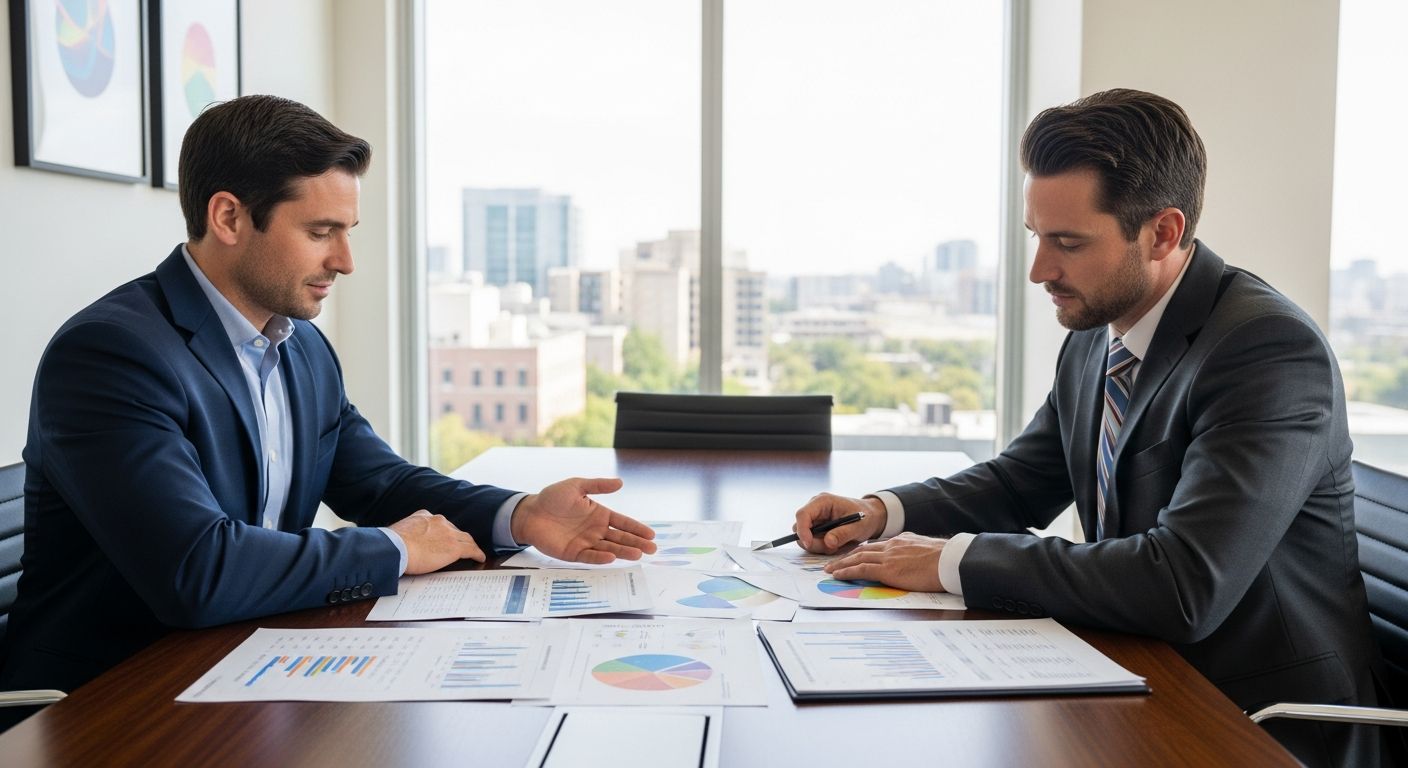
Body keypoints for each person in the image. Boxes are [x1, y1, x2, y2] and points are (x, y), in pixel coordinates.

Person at [793, 89, 1387, 767]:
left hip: (1255, 721)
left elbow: (1184, 584)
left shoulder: (1266, 350)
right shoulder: (1101, 328)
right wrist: (885, 514)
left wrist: (948, 561)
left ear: (1162, 232)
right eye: (1038, 237)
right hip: (1140, 674)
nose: (1039, 271)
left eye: (1067, 243)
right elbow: (1025, 481)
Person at [0, 95, 656, 701]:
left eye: (349, 230)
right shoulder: (111, 354)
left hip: (242, 663)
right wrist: (397, 550)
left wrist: (521, 516)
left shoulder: (301, 347)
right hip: (106, 698)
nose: (345, 260)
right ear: (228, 217)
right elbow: (196, 571)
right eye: (320, 232)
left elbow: (379, 484)